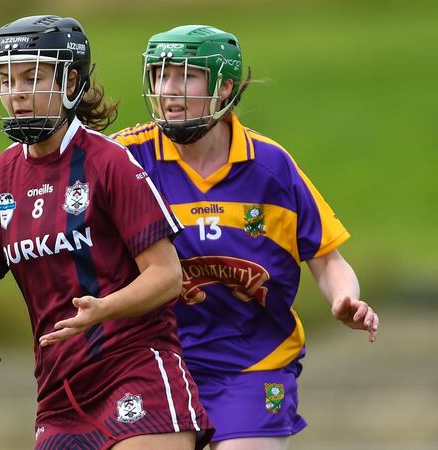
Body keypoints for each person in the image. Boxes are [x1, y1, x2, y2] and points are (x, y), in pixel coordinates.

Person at [0, 15, 213, 450]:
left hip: (135, 371)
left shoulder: (110, 164)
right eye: (6, 78)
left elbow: (167, 276)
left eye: (32, 76)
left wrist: (103, 309)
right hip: (59, 395)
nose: (16, 92)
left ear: (70, 81)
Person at [112, 25, 380, 450]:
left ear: (224, 87)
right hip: (155, 362)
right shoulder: (124, 157)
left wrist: (343, 299)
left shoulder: (271, 167)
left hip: (253, 364)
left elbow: (327, 258)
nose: (169, 90)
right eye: (161, 75)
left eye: (186, 76)